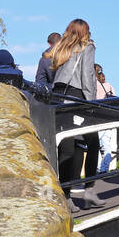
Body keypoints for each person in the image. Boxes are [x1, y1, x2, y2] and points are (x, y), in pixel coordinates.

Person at [43, 19, 98, 189]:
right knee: (93, 142)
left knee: (66, 148)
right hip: (75, 96)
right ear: (84, 31)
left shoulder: (60, 48)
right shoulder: (86, 47)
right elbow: (87, 75)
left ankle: (64, 194)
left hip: (58, 96)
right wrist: (91, 104)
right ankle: (89, 189)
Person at [95, 64, 119, 174]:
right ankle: (104, 168)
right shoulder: (109, 86)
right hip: (107, 118)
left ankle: (99, 168)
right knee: (106, 144)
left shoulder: (92, 85)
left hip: (95, 118)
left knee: (96, 145)